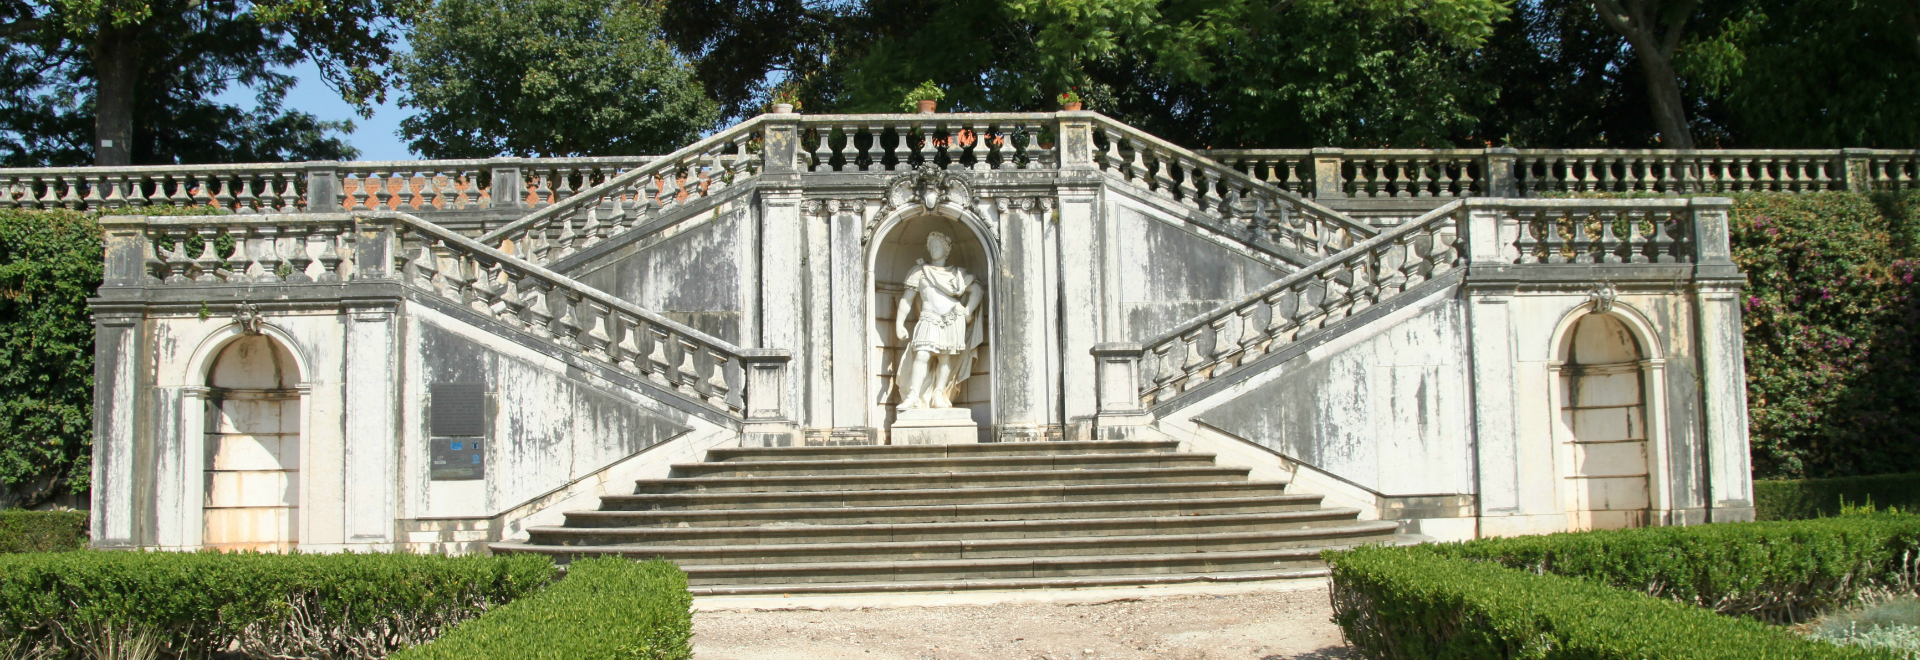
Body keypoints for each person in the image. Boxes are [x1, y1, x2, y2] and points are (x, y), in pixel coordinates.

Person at [893, 231, 985, 410]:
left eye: (937, 246)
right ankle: (913, 395)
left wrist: (967, 311)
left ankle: (938, 394)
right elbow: (907, 299)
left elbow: (977, 290)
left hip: (952, 318)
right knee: (922, 355)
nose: (933, 249)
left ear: (946, 249)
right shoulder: (920, 272)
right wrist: (899, 323)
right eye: (931, 246)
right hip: (928, 318)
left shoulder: (957, 274)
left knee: (944, 358)